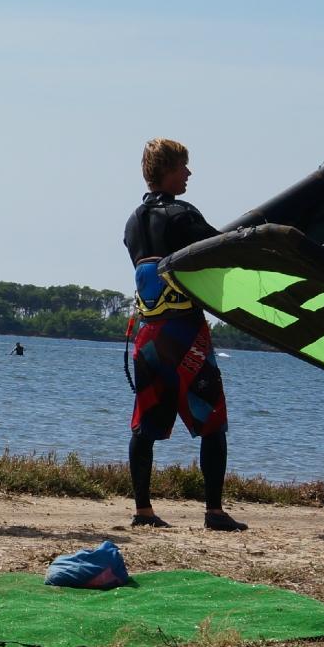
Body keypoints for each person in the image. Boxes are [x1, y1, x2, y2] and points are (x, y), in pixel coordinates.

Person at [122, 139, 244, 531]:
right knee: (212, 421)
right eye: (184, 167)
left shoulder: (133, 222)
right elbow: (219, 250)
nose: (189, 174)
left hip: (148, 336)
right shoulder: (181, 214)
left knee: (145, 422)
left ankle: (143, 511)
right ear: (168, 171)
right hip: (185, 334)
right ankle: (214, 512)